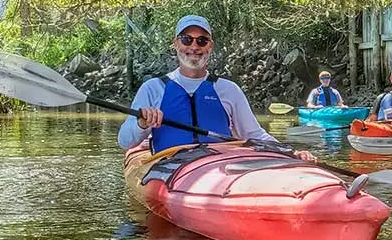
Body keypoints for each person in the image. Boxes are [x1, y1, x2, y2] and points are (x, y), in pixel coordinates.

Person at [118, 14, 316, 161]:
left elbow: (254, 135)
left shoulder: (229, 90)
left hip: (220, 166)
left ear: (210, 46)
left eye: (202, 40)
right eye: (187, 39)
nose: (194, 46)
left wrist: (290, 152)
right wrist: (142, 124)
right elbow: (125, 141)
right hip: (171, 166)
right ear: (176, 44)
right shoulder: (153, 88)